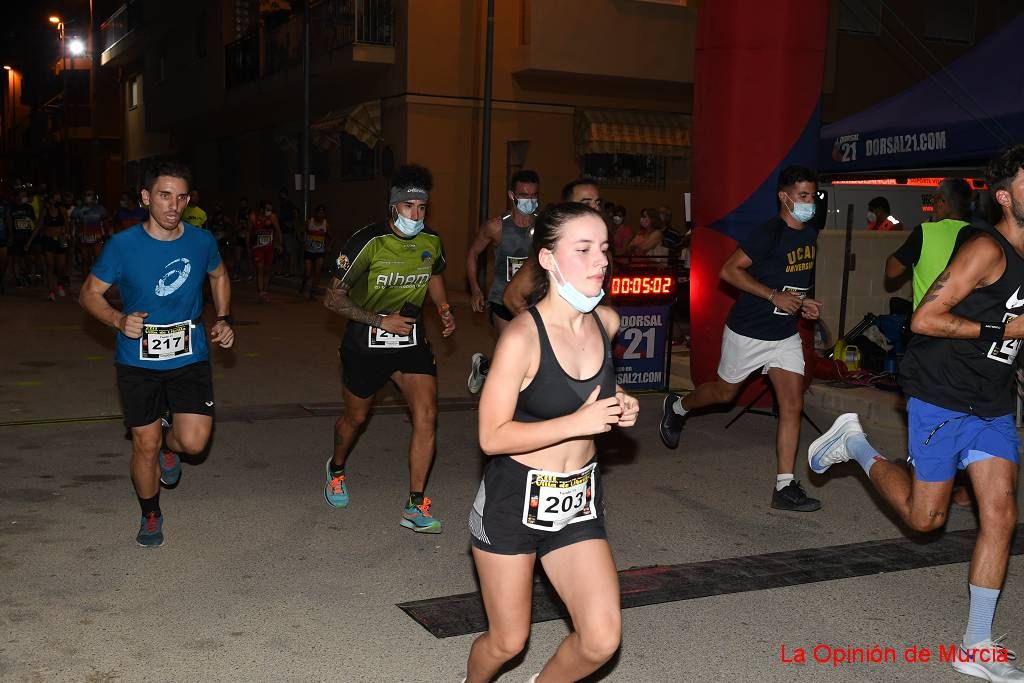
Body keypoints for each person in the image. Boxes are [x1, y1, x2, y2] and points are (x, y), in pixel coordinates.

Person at [809, 145, 1024, 682]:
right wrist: (1005, 331)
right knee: (925, 520)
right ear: (1005, 196)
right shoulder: (985, 249)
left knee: (1001, 514)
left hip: (992, 398)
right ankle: (855, 442)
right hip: (941, 390)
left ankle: (976, 645)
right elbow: (926, 318)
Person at [464, 202, 638, 683]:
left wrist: (621, 401)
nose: (600, 261)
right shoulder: (522, 337)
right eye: (582, 249)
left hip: (577, 500)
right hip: (514, 497)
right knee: (507, 641)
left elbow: (590, 391)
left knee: (601, 638)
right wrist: (579, 421)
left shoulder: (606, 324)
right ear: (547, 259)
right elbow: (491, 434)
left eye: (603, 249)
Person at [79, 158, 235, 547]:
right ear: (147, 197)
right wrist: (117, 320)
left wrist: (225, 317)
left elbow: (219, 275)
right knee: (143, 444)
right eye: (165, 196)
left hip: (189, 354)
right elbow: (89, 294)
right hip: (138, 359)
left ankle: (171, 444)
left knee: (195, 444)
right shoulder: (122, 245)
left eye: (181, 198)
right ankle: (150, 512)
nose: (173, 206)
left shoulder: (201, 241)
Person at [659, 165, 824, 512]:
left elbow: (794, 281)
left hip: (784, 334)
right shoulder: (768, 234)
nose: (810, 202)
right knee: (724, 393)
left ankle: (784, 486)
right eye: (804, 195)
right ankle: (677, 407)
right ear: (785, 197)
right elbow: (729, 271)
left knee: (793, 404)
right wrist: (772, 296)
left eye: (813, 195)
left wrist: (804, 303)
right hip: (748, 331)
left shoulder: (809, 235)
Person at [322, 164, 456, 532]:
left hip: (410, 342)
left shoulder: (431, 242)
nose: (417, 214)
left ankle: (415, 504)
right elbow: (332, 299)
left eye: (422, 207)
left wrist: (444, 309)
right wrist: (381, 321)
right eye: (409, 206)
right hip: (365, 342)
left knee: (427, 415)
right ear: (393, 206)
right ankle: (335, 468)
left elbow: (435, 274)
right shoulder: (368, 242)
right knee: (355, 419)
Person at [466, 170, 540, 394]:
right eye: (524, 195)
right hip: (502, 299)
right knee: (512, 352)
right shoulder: (496, 227)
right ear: (512, 195)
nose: (529, 201)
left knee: (530, 354)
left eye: (533, 195)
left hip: (534, 297)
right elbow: (472, 254)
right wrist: (476, 289)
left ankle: (485, 366)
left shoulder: (544, 226)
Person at [502, 179, 603, 317]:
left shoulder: (604, 251)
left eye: (597, 203)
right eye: (586, 203)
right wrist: (541, 331)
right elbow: (512, 297)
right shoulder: (552, 252)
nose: (595, 209)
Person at [885, 178, 972, 308]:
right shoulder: (978, 234)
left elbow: (892, 270)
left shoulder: (925, 231)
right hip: (963, 321)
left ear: (942, 201)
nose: (933, 205)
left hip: (927, 322)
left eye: (934, 200)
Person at [25, 196, 69, 300]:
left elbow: (67, 223)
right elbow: (39, 227)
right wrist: (29, 241)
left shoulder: (62, 210)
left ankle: (60, 285)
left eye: (58, 198)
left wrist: (65, 232)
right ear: (50, 201)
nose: (57, 200)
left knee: (61, 268)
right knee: (50, 266)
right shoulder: (45, 212)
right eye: (54, 199)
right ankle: (51, 292)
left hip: (60, 240)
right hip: (48, 240)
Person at [248, 199, 282, 302]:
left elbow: (278, 231)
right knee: (260, 268)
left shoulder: (272, 217)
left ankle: (265, 292)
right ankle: (261, 292)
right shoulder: (253, 217)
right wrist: (248, 247)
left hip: (269, 248)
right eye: (267, 209)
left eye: (270, 210)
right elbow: (248, 233)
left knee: (267, 270)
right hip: (258, 248)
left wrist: (280, 244)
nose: (269, 212)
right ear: (261, 209)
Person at [300, 204, 331, 300]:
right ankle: (304, 283)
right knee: (308, 273)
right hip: (309, 251)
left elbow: (331, 237)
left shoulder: (326, 224)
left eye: (323, 212)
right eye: (320, 212)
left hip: (320, 252)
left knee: (317, 273)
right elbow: (300, 231)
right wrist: (303, 241)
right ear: (316, 213)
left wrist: (329, 247)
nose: (321, 214)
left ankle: (312, 293)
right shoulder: (310, 222)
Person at [76, 190, 108, 276]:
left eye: (90, 195)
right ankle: (86, 278)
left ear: (94, 197)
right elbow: (76, 223)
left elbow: (105, 222)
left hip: (97, 238)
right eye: (86, 195)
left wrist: (106, 235)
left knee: (98, 259)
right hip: (84, 237)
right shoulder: (79, 209)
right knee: (85, 259)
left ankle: (96, 278)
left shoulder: (100, 209)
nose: (88, 197)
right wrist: (76, 235)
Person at [10, 188, 36, 287]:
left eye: (25, 196)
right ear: (17, 196)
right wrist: (11, 236)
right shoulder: (12, 208)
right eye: (22, 195)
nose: (23, 197)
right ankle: (18, 278)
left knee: (30, 258)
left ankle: (26, 275)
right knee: (16, 259)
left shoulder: (29, 208)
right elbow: (8, 222)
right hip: (16, 237)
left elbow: (33, 221)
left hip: (27, 238)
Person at [277, 187, 300, 277]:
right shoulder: (283, 205)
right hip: (284, 231)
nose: (281, 196)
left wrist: (292, 225)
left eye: (283, 194)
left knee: (289, 252)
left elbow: (296, 214)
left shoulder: (289, 205)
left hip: (288, 232)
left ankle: (290, 271)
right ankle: (285, 270)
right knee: (285, 252)